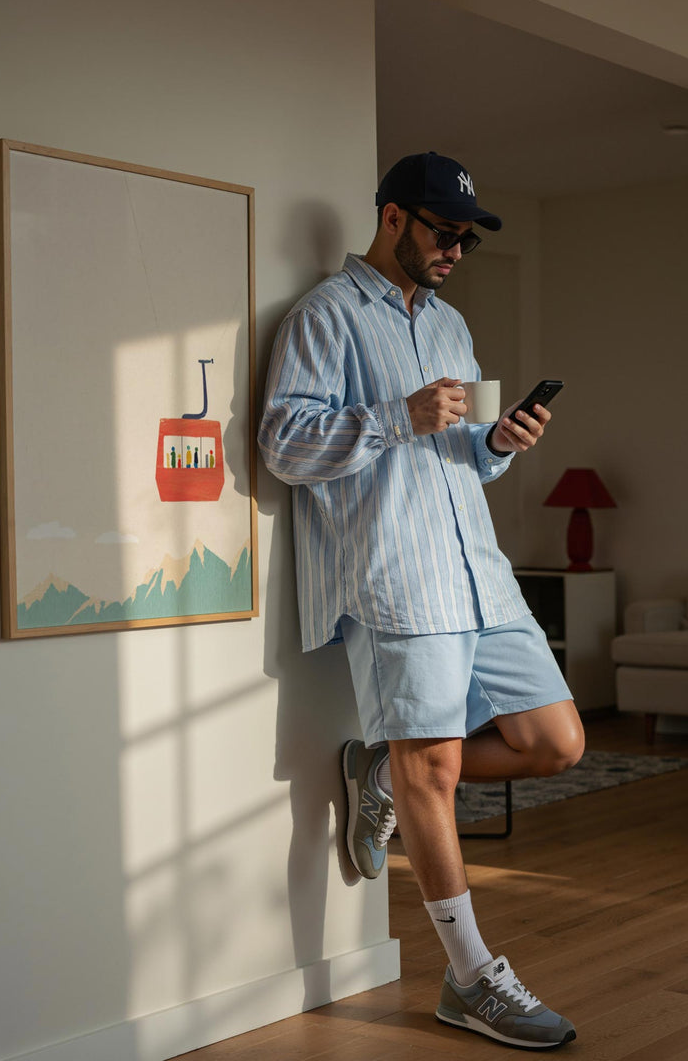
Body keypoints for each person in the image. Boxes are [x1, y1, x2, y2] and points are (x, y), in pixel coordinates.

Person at [259, 151, 583, 1050]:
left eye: (467, 239)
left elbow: (464, 452)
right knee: (434, 769)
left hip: (481, 568)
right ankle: (471, 976)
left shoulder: (451, 325)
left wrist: (502, 442)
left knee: (557, 743)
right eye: (444, 232)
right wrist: (399, 415)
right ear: (394, 217)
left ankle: (381, 769)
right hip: (396, 576)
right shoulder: (324, 316)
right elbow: (284, 445)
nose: (456, 250)